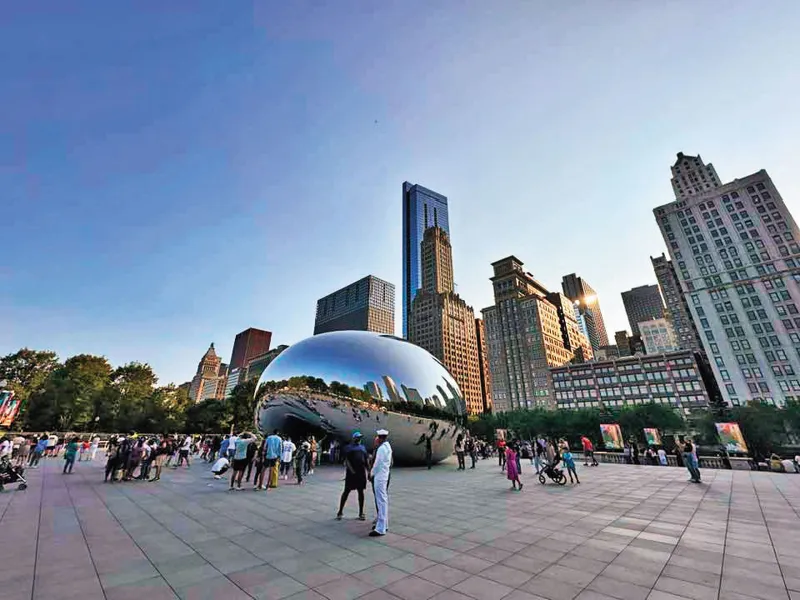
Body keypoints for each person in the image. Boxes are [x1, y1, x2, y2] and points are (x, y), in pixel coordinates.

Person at [337, 432, 369, 521]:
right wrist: (352, 471)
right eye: (358, 438)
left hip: (361, 473)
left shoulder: (363, 448)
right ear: (354, 438)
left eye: (360, 438)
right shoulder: (348, 448)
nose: (359, 439)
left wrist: (369, 471)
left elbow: (366, 460)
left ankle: (361, 512)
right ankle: (340, 511)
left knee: (361, 492)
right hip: (351, 474)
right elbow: (346, 461)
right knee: (346, 491)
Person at [369, 429, 392, 536]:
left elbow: (377, 464)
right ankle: (384, 524)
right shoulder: (388, 447)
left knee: (381, 502)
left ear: (380, 437)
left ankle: (380, 529)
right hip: (384, 476)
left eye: (378, 437)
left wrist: (371, 474)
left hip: (379, 477)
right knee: (383, 501)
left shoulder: (382, 449)